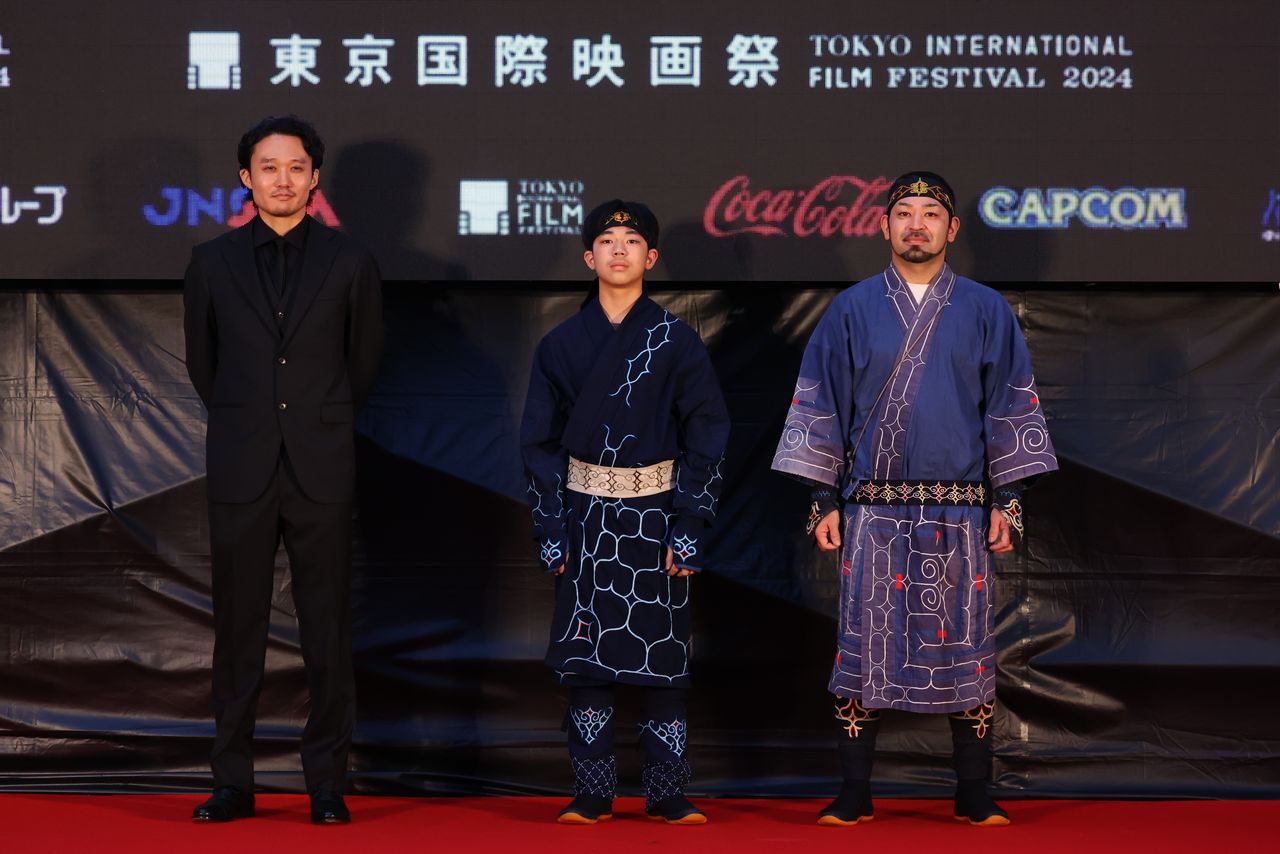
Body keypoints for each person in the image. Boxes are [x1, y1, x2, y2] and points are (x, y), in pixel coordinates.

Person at [771, 172, 1057, 827]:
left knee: (967, 648)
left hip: (959, 512)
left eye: (932, 213)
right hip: (871, 512)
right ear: (884, 226)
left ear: (953, 229)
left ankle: (974, 791)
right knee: (862, 650)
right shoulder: (849, 310)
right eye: (905, 212)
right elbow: (823, 405)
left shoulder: (987, 311)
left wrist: (1006, 499)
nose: (917, 224)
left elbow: (1010, 405)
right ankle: (854, 790)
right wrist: (824, 497)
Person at [183, 115, 383, 825]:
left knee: (326, 627)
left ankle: (327, 782)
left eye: (296, 167)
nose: (282, 179)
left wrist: (314, 421)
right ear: (246, 178)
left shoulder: (350, 260)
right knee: (237, 628)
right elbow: (204, 365)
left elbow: (361, 366)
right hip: (242, 463)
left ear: (315, 177)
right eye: (268, 167)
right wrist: (253, 422)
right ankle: (232, 782)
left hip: (321, 465)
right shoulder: (211, 261)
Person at [520, 200, 730, 825]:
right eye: (606, 240)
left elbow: (709, 431)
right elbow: (537, 444)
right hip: (585, 518)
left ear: (651, 257)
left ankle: (668, 793)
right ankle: (592, 793)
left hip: (657, 517)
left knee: (663, 661)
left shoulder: (676, 341)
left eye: (631, 240)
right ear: (589, 257)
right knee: (586, 661)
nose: (618, 249)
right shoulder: (560, 345)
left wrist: (690, 525)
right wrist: (551, 529)